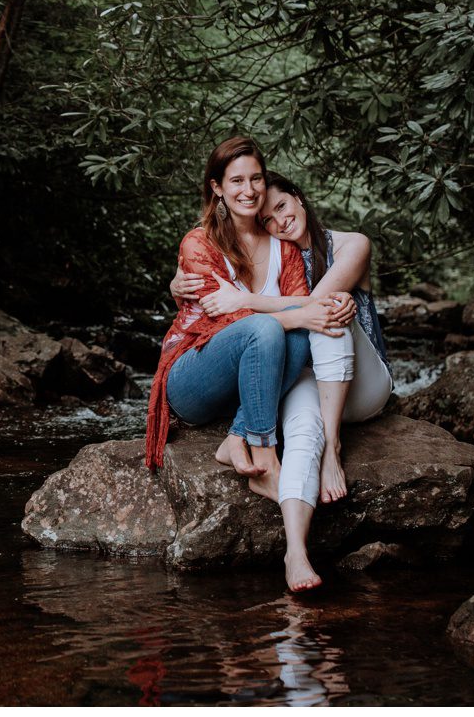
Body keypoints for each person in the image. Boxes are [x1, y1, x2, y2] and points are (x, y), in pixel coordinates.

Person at [146, 136, 354, 592]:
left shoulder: (281, 244)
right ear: (217, 188)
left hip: (248, 381)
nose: (249, 189)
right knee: (272, 327)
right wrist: (296, 312)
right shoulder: (199, 244)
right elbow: (230, 319)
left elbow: (302, 302)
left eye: (256, 178)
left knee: (295, 331)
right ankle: (263, 450)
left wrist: (308, 312)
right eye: (236, 180)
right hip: (194, 377)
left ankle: (237, 434)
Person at [171, 173, 392, 510]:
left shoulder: (352, 244)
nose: (280, 221)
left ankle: (332, 447)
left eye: (282, 206)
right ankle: (290, 521)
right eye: (268, 220)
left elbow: (316, 305)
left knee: (328, 309)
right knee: (299, 436)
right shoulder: (278, 255)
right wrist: (177, 283)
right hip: (308, 382)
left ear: (298, 197)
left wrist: (243, 301)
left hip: (361, 383)